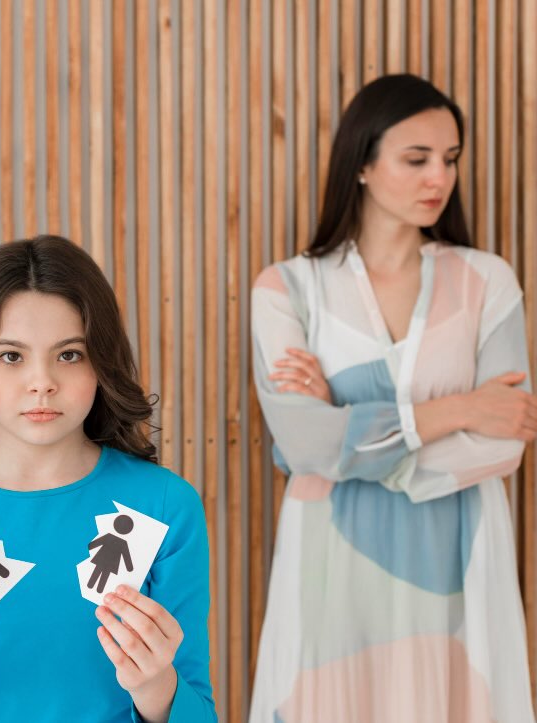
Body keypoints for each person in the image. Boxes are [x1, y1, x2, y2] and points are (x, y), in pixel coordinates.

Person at [249, 74, 537, 722]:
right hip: (332, 567)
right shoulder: (288, 289)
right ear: (363, 165)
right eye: (417, 159)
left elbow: (504, 441)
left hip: (460, 564)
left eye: (450, 159)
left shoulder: (487, 280)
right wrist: (458, 410)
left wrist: (347, 435)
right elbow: (301, 441)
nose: (440, 175)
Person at [0, 236, 217, 722]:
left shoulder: (165, 506)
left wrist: (157, 685)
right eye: (11, 356)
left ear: (100, 364)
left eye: (69, 355)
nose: (42, 381)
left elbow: (198, 708)